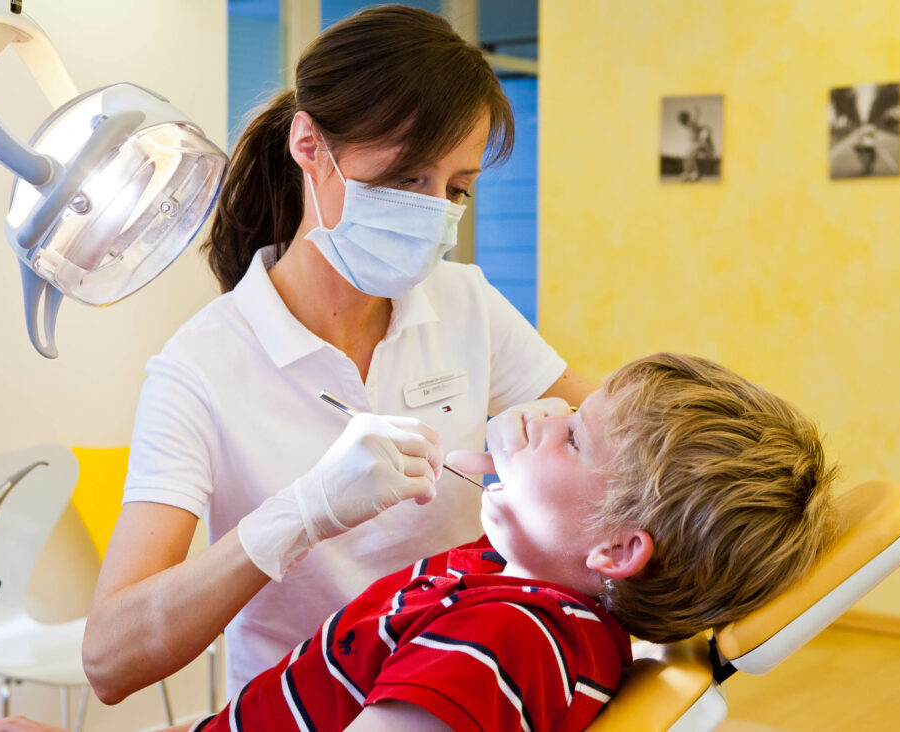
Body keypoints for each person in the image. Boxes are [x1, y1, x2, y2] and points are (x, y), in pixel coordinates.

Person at [81, 4, 593, 707]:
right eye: (406, 176)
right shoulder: (200, 367)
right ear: (309, 146)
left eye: (458, 189)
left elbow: (620, 446)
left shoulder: (465, 302)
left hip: (451, 697)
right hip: (293, 715)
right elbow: (110, 660)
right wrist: (301, 513)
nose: (436, 212)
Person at [0, 352, 836, 732]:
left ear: (615, 553)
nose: (544, 416)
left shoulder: (507, 641)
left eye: (574, 437)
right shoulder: (499, 579)